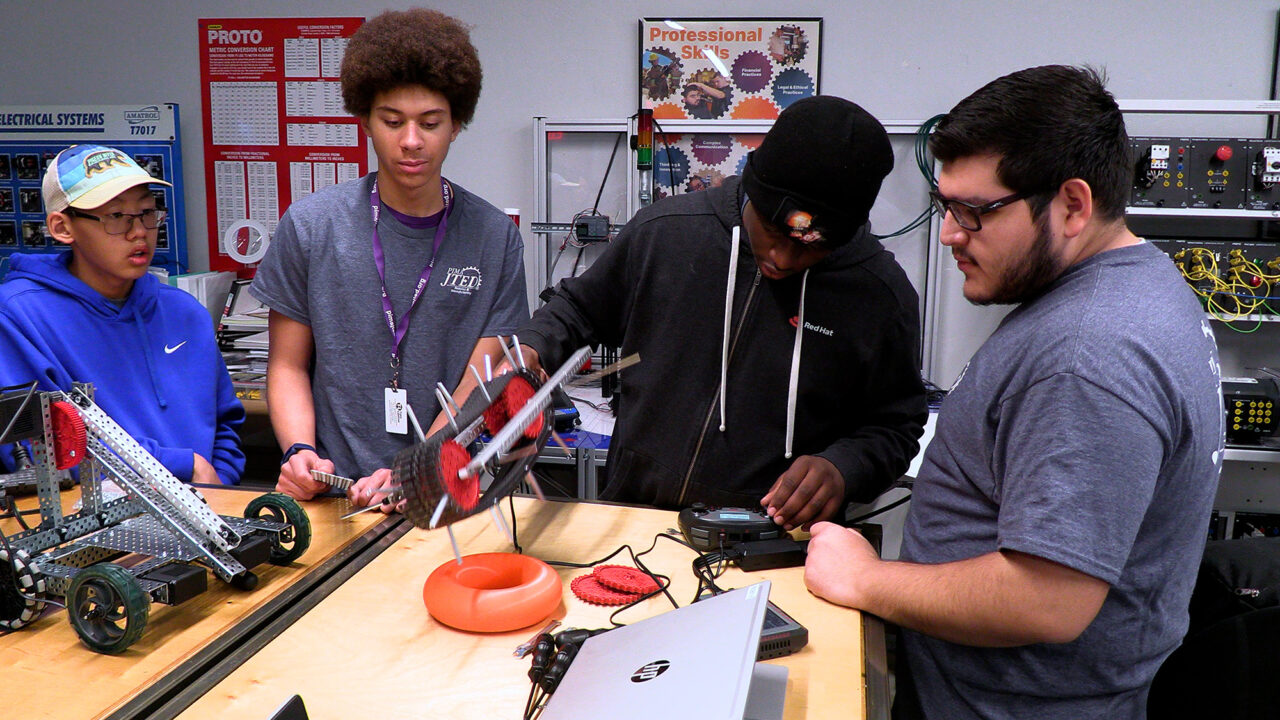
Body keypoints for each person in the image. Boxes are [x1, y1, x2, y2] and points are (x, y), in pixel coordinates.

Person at [803, 65, 1224, 719]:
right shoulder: (1136, 285)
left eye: (974, 211)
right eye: (946, 207)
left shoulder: (1089, 353)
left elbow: (1047, 599)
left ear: (1072, 205)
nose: (948, 234)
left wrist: (865, 579)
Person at [517, 96, 927, 530]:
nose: (783, 259)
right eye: (772, 231)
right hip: (636, 521)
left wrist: (844, 468)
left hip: (773, 544)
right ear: (754, 190)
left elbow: (895, 426)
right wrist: (531, 348)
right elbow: (577, 308)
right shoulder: (666, 233)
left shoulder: (879, 294)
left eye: (812, 245)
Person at [249, 8, 528, 504]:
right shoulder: (312, 226)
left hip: (445, 491)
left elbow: (482, 379)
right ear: (365, 122)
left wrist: (422, 468)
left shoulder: (493, 237)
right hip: (332, 493)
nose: (411, 141)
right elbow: (287, 366)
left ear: (457, 125)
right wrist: (299, 451)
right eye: (392, 121)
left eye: (431, 122)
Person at [0, 144, 244, 484]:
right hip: (94, 525)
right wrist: (183, 467)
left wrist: (218, 488)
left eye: (147, 212)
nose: (139, 231)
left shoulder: (184, 311)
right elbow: (37, 450)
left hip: (208, 517)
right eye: (116, 217)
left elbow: (226, 426)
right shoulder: (16, 315)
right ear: (62, 227)